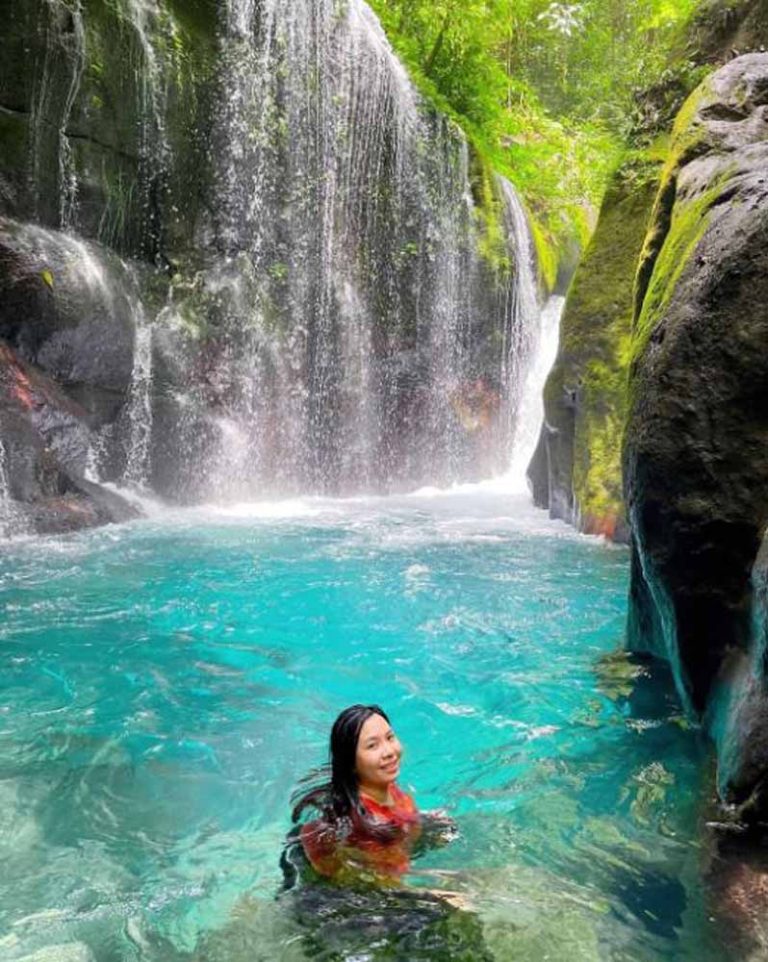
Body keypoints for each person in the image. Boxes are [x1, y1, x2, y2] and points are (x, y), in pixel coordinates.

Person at [289, 704, 453, 885]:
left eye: (390, 737)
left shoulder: (384, 787)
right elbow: (388, 887)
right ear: (351, 762)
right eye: (372, 746)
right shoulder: (370, 825)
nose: (389, 752)